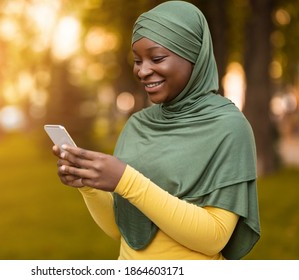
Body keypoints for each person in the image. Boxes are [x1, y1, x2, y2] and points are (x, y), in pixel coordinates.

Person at [51, 0, 260, 260]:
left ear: (194, 56)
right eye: (138, 60)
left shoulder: (229, 127)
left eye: (157, 58)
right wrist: (88, 185)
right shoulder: (137, 126)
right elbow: (123, 231)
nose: (143, 70)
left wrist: (125, 180)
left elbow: (214, 237)